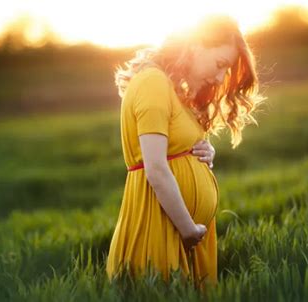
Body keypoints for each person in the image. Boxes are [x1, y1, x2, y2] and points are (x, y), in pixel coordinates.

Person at [106, 14, 265, 290]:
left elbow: (173, 148)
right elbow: (154, 168)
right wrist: (188, 228)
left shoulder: (172, 89)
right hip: (162, 225)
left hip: (184, 231)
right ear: (195, 46)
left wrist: (202, 153)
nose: (219, 78)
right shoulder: (152, 82)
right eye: (219, 65)